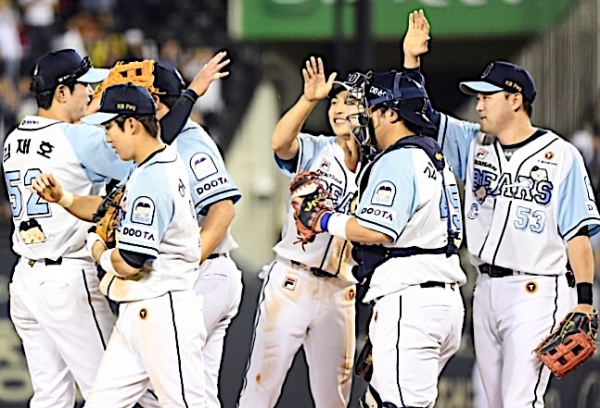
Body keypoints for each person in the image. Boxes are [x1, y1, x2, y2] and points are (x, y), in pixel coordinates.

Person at [3, 47, 223, 408]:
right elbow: (150, 143)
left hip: (25, 280)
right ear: (61, 93)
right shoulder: (78, 139)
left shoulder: (14, 139)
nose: (91, 94)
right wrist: (191, 94)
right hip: (67, 279)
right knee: (123, 395)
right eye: (82, 87)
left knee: (50, 398)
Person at [403, 10, 600, 408]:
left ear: (515, 100)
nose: (478, 105)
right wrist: (411, 62)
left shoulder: (560, 155)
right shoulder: (471, 143)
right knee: (491, 403)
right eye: (477, 96)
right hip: (486, 289)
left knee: (518, 401)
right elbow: (416, 117)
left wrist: (583, 300)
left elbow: (577, 232)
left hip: (536, 289)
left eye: (487, 96)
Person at [310, 69, 466, 408]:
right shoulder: (431, 155)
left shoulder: (397, 159)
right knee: (377, 401)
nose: (363, 115)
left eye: (371, 107)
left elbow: (377, 231)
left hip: (411, 301)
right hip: (438, 298)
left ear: (392, 113)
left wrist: (323, 219)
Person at [237, 56, 359, 408]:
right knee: (260, 391)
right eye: (334, 101)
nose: (337, 108)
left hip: (341, 290)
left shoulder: (380, 165)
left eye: (348, 102)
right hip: (293, 280)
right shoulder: (319, 149)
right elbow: (279, 143)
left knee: (334, 400)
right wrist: (309, 99)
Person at [153, 61, 243, 408]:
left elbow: (223, 210)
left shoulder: (190, 142)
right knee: (197, 391)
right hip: (196, 276)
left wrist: (188, 263)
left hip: (204, 275)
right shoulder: (160, 144)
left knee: (160, 373)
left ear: (160, 103)